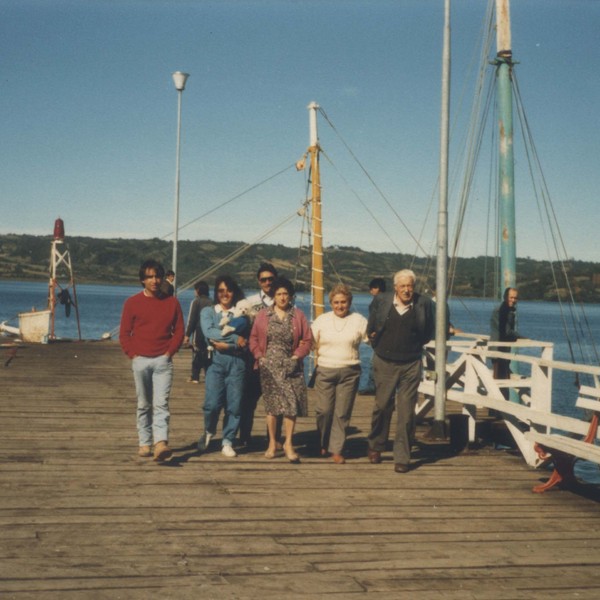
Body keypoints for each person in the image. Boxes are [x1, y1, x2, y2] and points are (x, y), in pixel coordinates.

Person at [366, 268, 435, 473]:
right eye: (403, 286)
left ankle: (402, 457)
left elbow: (428, 332)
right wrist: (378, 345)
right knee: (382, 406)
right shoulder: (381, 301)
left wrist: (412, 348)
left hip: (411, 364)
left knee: (406, 412)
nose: (407, 290)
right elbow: (371, 328)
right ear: (395, 287)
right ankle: (376, 445)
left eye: (410, 286)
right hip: (385, 361)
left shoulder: (423, 304)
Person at [119, 259, 184, 462]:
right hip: (140, 361)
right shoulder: (132, 303)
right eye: (149, 277)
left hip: (163, 361)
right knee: (144, 404)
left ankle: (161, 443)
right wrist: (133, 355)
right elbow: (124, 333)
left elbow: (179, 331)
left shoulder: (172, 302)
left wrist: (169, 353)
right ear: (142, 280)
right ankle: (144, 442)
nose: (154, 280)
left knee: (161, 404)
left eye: (157, 276)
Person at [249, 276, 312, 463]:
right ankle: (272, 443)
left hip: (291, 366)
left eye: (285, 294)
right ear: (274, 296)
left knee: (291, 405)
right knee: (272, 407)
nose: (283, 297)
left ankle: (289, 444)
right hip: (269, 366)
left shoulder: (298, 315)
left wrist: (296, 356)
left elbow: (308, 340)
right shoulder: (263, 315)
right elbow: (253, 338)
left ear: (290, 296)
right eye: (279, 294)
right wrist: (260, 356)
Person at [311, 284, 368, 464]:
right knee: (324, 410)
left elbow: (373, 339)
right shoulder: (322, 320)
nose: (340, 306)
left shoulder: (359, 320)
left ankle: (336, 449)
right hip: (325, 370)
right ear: (331, 303)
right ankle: (322, 441)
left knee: (342, 413)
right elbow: (309, 341)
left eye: (343, 302)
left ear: (349, 302)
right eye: (336, 302)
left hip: (350, 371)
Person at [198, 275, 249, 458]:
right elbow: (210, 333)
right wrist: (236, 339)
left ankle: (228, 440)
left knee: (234, 406)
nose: (225, 294)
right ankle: (209, 430)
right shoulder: (208, 312)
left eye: (228, 290)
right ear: (216, 292)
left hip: (238, 363)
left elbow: (249, 341)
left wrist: (230, 345)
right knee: (211, 404)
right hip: (215, 362)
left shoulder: (243, 313)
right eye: (221, 290)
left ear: (234, 292)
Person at [240, 262, 279, 446]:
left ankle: (274, 439)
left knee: (275, 400)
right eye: (264, 279)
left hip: (276, 357)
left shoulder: (284, 300)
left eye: (271, 279)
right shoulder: (249, 302)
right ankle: (245, 436)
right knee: (248, 399)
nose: (267, 282)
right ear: (258, 281)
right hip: (253, 357)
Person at [490, 287, 521, 396]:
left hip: (503, 350)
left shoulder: (509, 310)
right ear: (505, 297)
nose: (513, 300)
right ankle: (497, 410)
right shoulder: (501, 310)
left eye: (515, 298)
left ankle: (498, 409)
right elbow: (506, 331)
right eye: (511, 297)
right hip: (498, 350)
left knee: (503, 380)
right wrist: (520, 337)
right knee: (500, 381)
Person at [359, 277, 387, 395]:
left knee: (373, 362)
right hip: (385, 337)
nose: (371, 292)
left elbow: (375, 320)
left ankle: (372, 387)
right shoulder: (390, 301)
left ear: (377, 289)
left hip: (380, 338)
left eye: (372, 289)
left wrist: (372, 332)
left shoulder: (377, 302)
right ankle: (380, 387)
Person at [183, 280, 212, 383]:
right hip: (209, 332)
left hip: (198, 331)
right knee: (208, 353)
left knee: (197, 352)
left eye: (195, 289)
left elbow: (192, 319)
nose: (194, 292)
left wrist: (187, 335)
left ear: (198, 290)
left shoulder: (196, 301)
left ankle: (195, 376)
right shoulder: (211, 302)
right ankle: (208, 375)